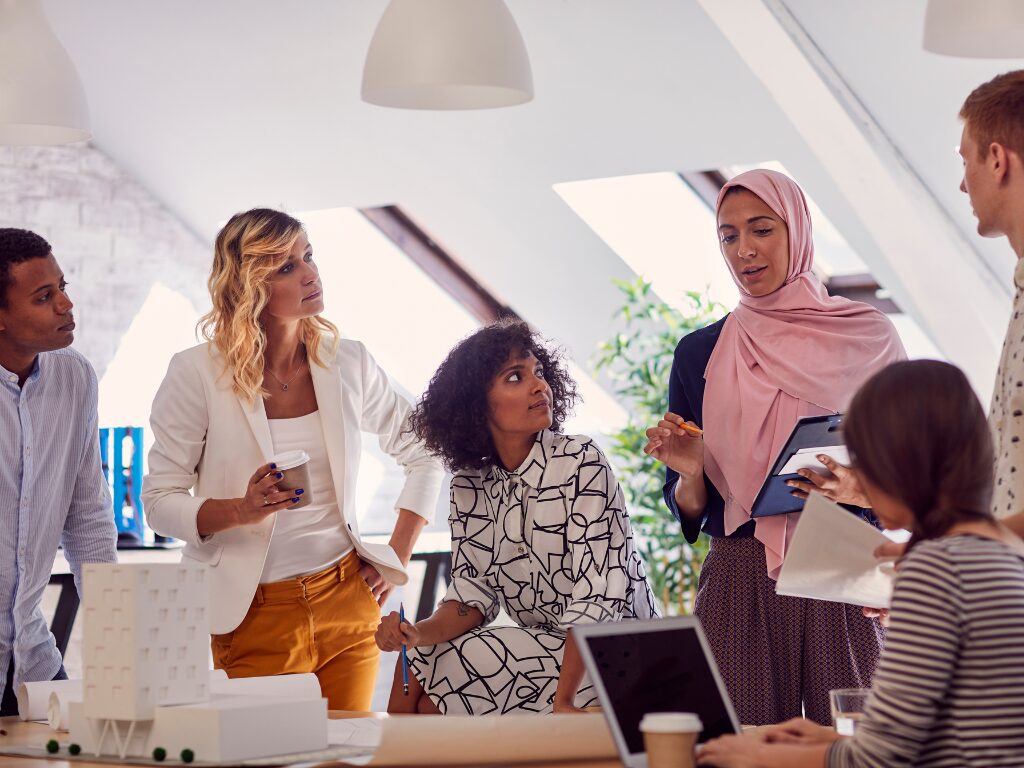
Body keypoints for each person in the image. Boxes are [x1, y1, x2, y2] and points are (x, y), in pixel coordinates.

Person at [141, 208, 444, 711]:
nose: (309, 273)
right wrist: (242, 509)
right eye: (285, 267)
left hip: (348, 599)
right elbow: (158, 501)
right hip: (252, 612)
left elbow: (425, 450)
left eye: (308, 256)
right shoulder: (196, 373)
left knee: (345, 759)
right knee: (261, 758)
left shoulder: (347, 361)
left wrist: (395, 557)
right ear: (247, 286)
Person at [643, 169, 905, 725]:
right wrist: (689, 473)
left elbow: (908, 471)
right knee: (741, 745)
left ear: (798, 232)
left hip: (845, 553)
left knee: (857, 741)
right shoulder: (700, 353)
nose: (745, 251)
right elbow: (691, 506)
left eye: (761, 230)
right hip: (740, 566)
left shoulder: (869, 337)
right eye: (729, 237)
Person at [697, 360, 1024, 767]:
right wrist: (829, 737)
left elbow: (879, 760)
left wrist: (755, 754)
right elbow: (931, 734)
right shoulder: (1001, 558)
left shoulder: (936, 569)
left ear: (900, 464)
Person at [374, 320, 657, 715]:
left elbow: (598, 597)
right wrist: (415, 634)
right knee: (423, 659)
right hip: (546, 650)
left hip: (615, 653)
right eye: (515, 377)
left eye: (539, 372)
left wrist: (564, 702)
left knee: (437, 674)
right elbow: (470, 596)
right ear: (476, 405)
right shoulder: (469, 486)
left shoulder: (581, 461)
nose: (539, 385)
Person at [0, 228, 117, 717]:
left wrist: (116, 633)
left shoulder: (74, 376)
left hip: (33, 663)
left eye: (62, 287)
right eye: (44, 296)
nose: (66, 304)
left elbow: (87, 513)